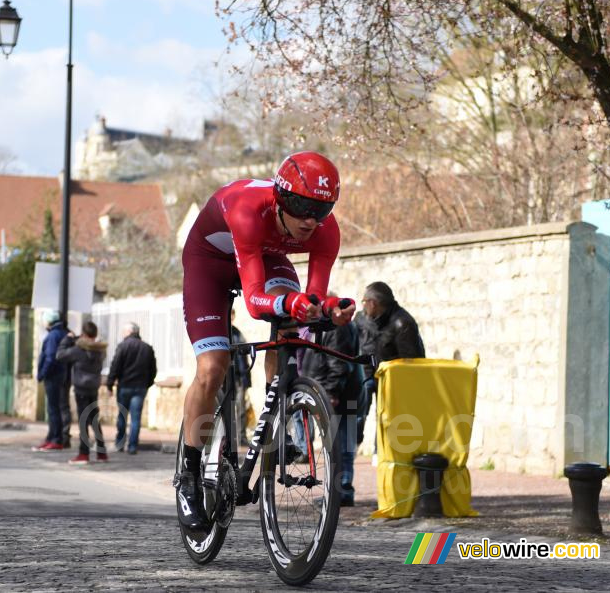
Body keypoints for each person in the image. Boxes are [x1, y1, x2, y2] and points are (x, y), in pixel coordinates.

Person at [175, 150, 356, 529]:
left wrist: (327, 309)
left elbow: (314, 295)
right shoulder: (247, 209)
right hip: (211, 262)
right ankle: (189, 477)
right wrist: (291, 302)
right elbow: (258, 302)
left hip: (266, 256)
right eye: (301, 206)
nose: (311, 220)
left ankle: (281, 406)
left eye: (321, 210)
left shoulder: (326, 230)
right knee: (213, 367)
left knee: (290, 325)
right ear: (280, 198)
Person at [300, 295, 362, 506]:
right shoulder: (329, 328)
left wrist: (331, 393)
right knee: (339, 445)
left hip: (341, 395)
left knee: (341, 445)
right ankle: (339, 490)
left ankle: (342, 491)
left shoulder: (338, 328)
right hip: (340, 392)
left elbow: (338, 363)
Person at [355, 281, 425, 444]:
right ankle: (352, 446)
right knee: (357, 414)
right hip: (365, 373)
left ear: (373, 303)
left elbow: (411, 362)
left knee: (385, 417)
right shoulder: (361, 318)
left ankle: (380, 452)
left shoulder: (402, 323)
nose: (363, 306)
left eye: (364, 302)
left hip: (389, 379)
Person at [56, 320, 109, 465]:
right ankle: (101, 453)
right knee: (94, 420)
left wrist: (67, 339)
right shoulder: (100, 350)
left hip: (81, 389)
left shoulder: (78, 350)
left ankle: (83, 453)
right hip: (94, 388)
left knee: (83, 421)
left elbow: (60, 355)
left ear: (84, 334)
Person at [107, 322, 156, 455]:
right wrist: (148, 383)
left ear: (129, 332)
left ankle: (120, 444)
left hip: (124, 386)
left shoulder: (123, 346)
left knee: (122, 416)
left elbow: (115, 366)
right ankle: (133, 446)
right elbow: (153, 370)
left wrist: (109, 384)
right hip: (140, 387)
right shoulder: (147, 348)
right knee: (136, 418)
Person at [33, 310, 67, 452]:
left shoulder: (53, 335)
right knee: (55, 408)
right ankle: (51, 437)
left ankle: (55, 439)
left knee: (53, 409)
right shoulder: (62, 332)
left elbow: (50, 357)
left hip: (53, 375)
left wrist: (42, 373)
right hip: (60, 374)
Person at [230, 309, 251, 446]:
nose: (232, 317)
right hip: (226, 377)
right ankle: (228, 437)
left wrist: (246, 380)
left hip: (239, 377)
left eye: (233, 314)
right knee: (227, 407)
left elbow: (245, 354)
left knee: (241, 408)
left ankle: (241, 437)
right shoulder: (223, 332)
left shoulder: (237, 333)